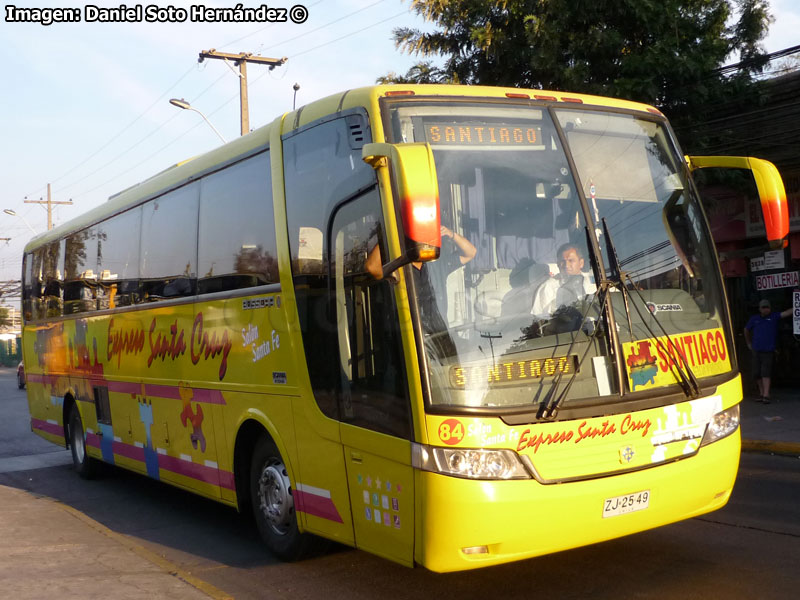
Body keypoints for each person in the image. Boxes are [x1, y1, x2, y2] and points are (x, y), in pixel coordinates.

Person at [744, 298, 792, 403]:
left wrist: (797, 306)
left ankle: (766, 395)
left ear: (770, 308)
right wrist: (749, 343)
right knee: (757, 373)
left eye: (767, 307)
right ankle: (761, 393)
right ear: (759, 309)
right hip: (756, 349)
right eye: (763, 307)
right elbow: (746, 329)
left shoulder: (774, 316)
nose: (765, 310)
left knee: (765, 372)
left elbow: (786, 313)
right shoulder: (754, 319)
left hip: (768, 350)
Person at [531, 243, 596, 318]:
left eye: (571, 260)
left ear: (581, 263)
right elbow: (539, 319)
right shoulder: (548, 287)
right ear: (558, 264)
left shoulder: (594, 284)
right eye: (562, 261)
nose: (566, 265)